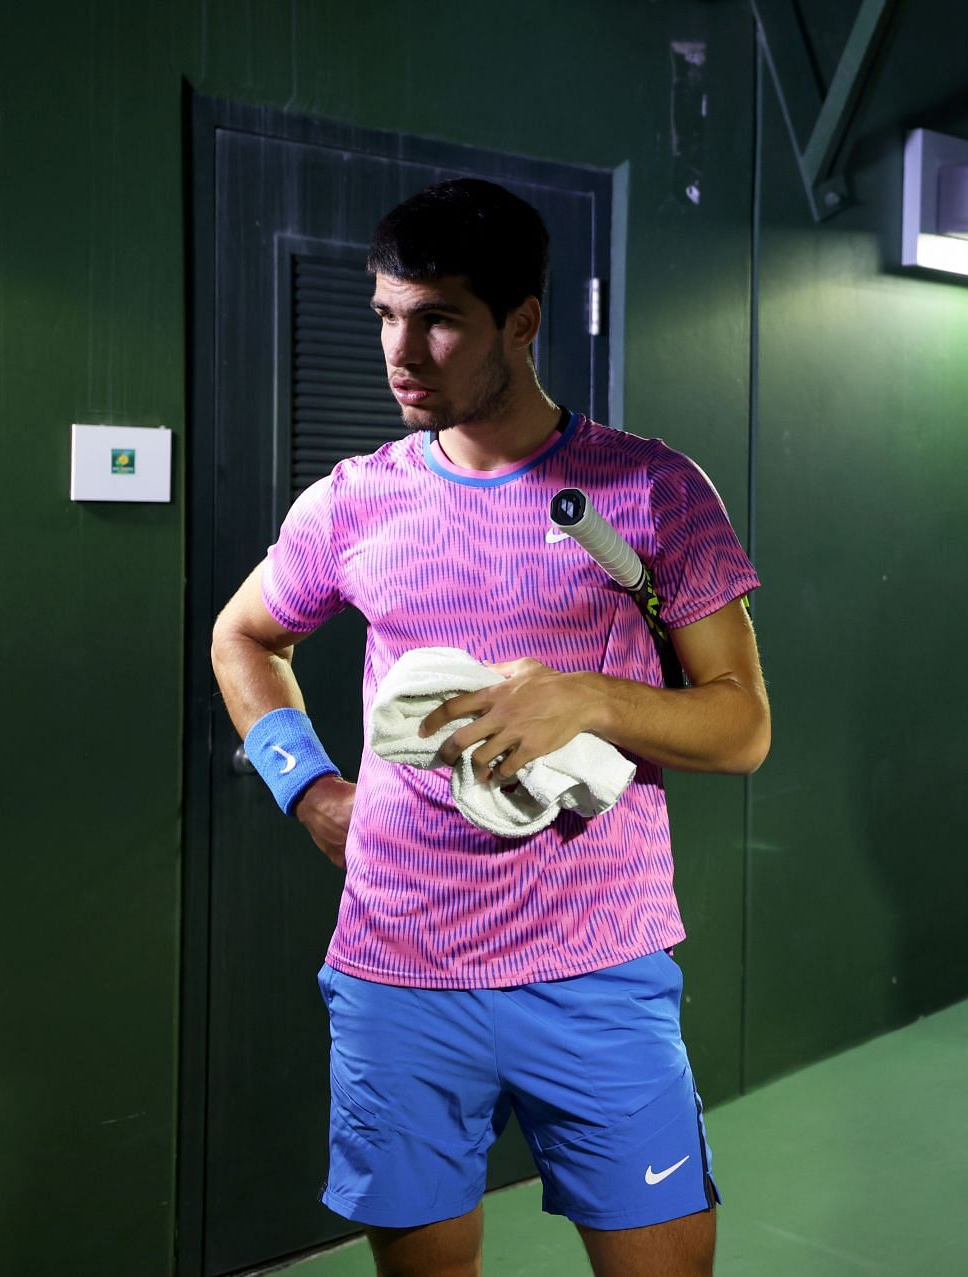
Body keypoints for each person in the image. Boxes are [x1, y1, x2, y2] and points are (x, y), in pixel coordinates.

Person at [210, 178, 768, 1277]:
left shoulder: (650, 489)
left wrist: (591, 694)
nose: (401, 349)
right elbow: (244, 635)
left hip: (597, 965)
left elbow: (742, 724)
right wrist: (310, 787)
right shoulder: (356, 499)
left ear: (522, 318)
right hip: (398, 966)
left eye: (439, 317)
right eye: (384, 314)